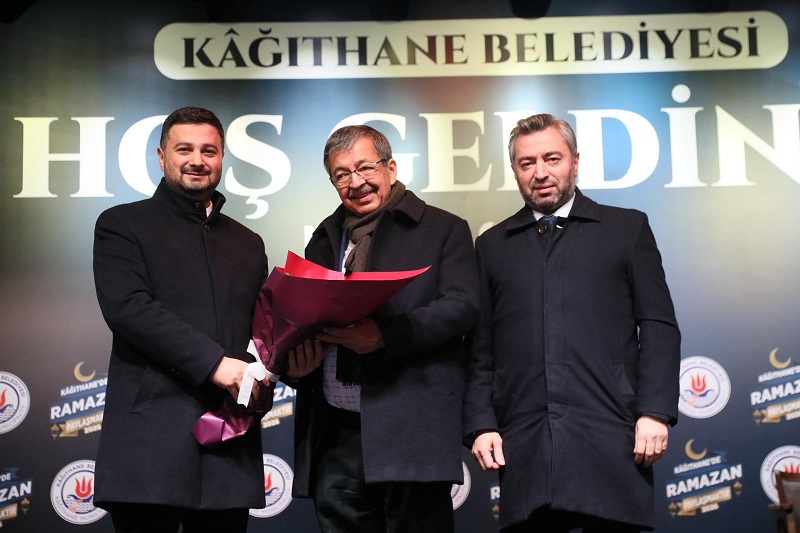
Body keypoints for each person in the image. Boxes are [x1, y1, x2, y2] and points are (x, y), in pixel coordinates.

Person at [463, 113, 681, 532]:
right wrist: (481, 424)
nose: (540, 172)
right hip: (525, 443)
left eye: (552, 158)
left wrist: (654, 411)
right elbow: (480, 348)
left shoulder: (626, 228)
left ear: (575, 161)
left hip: (612, 435)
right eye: (527, 163)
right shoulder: (492, 246)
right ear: (515, 170)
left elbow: (658, 326)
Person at [286, 124, 480, 532]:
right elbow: (304, 319)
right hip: (335, 434)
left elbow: (461, 308)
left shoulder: (443, 228)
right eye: (341, 174)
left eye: (365, 168)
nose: (355, 182)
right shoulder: (324, 238)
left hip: (410, 428)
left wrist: (384, 337)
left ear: (390, 168)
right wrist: (296, 367)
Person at [92, 106, 270, 533]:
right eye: (184, 149)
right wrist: (216, 364)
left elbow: (264, 334)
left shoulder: (248, 243)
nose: (197, 160)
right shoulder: (122, 224)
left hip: (229, 447)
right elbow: (128, 309)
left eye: (209, 150)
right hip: (149, 446)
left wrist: (275, 369)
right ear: (161, 156)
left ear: (221, 158)